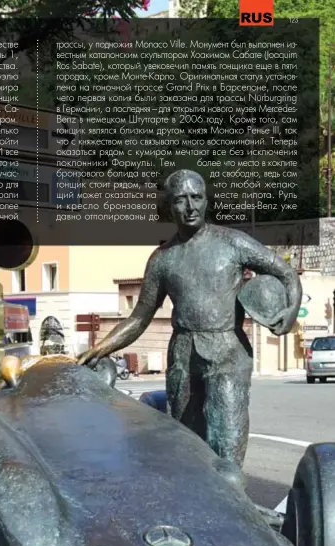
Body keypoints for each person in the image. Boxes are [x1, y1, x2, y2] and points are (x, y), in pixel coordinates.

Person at [78, 169, 302, 480]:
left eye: (196, 198)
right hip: (183, 354)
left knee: (227, 445)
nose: (190, 206)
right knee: (188, 448)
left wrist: (291, 311)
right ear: (169, 208)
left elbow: (286, 273)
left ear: (207, 200)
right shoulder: (162, 259)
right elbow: (140, 317)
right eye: (181, 200)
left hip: (227, 353)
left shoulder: (233, 242)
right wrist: (100, 348)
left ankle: (231, 510)